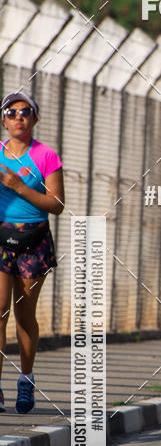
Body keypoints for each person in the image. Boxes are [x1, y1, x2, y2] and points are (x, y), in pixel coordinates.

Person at [0, 92, 64, 413]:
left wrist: (18, 186)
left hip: (34, 240)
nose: (18, 117)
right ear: (3, 120)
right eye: (11, 112)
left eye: (25, 112)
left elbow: (57, 204)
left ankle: (26, 379)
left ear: (34, 119)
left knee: (24, 317)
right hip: (1, 236)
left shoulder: (46, 156)